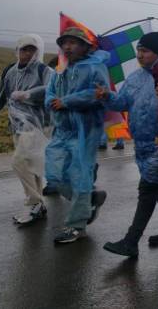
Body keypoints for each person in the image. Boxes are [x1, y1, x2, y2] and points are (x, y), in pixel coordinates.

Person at [96, 32, 158, 257]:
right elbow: (122, 102)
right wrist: (106, 96)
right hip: (142, 144)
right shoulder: (134, 78)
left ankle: (131, 241)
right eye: (139, 50)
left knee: (147, 188)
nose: (139, 55)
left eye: (145, 51)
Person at [44, 27, 110, 243]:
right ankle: (90, 198)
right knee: (54, 175)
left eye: (73, 42)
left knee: (79, 178)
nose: (67, 47)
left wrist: (67, 102)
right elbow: (50, 92)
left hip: (86, 131)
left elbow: (98, 94)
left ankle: (76, 226)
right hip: (62, 130)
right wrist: (51, 103)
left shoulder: (95, 68)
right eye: (64, 43)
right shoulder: (60, 69)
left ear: (85, 46)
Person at [0, 34, 54, 225]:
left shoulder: (44, 70)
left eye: (32, 49)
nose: (27, 53)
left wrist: (29, 94)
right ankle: (39, 206)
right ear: (17, 50)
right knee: (32, 166)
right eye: (24, 49)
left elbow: (52, 89)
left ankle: (34, 201)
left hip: (38, 126)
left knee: (19, 162)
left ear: (38, 51)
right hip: (17, 126)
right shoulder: (9, 71)